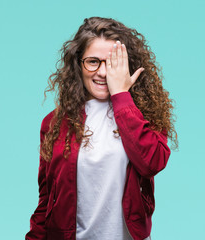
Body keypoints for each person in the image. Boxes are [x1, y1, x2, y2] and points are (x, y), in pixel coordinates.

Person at [25, 17, 177, 240]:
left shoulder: (144, 115)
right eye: (93, 61)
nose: (103, 73)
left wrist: (121, 96)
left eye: (112, 63)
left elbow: (152, 162)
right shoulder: (54, 123)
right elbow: (46, 200)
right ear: (79, 64)